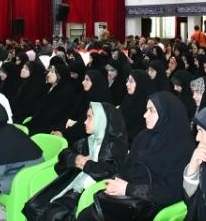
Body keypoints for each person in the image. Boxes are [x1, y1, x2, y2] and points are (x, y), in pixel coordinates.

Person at [77, 92, 194, 221]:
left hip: (151, 208)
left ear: (166, 114)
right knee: (87, 214)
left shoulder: (183, 148)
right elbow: (126, 167)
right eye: (146, 110)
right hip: (128, 200)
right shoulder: (143, 137)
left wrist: (128, 189)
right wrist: (117, 182)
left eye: (151, 110)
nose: (145, 115)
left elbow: (172, 192)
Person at [23, 102, 128, 220]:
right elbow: (64, 154)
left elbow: (109, 171)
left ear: (101, 120)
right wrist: (75, 159)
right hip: (74, 186)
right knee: (34, 205)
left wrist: (86, 164)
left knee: (54, 213)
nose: (85, 122)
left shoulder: (115, 147)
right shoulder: (90, 141)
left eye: (89, 118)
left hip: (93, 194)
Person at [58, 70, 112, 145]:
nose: (83, 82)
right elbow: (72, 114)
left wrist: (64, 133)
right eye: (84, 79)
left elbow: (84, 125)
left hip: (88, 138)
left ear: (95, 82)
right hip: (73, 130)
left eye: (87, 80)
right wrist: (60, 129)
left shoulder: (99, 102)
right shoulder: (84, 95)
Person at [25, 64, 77, 136]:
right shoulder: (47, 87)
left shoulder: (66, 93)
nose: (48, 74)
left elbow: (55, 115)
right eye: (49, 71)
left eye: (52, 72)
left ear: (60, 75)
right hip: (37, 121)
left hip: (50, 127)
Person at [120, 70, 153, 144]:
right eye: (127, 80)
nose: (127, 84)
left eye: (131, 81)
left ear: (140, 84)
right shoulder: (127, 99)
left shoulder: (148, 106)